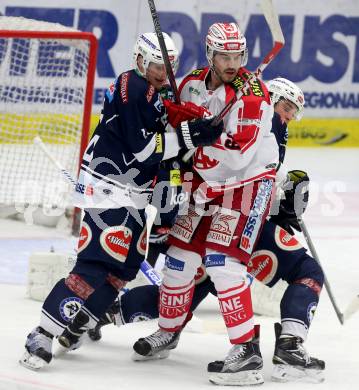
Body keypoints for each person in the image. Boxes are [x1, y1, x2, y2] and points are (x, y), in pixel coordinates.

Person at [89, 78, 326, 383]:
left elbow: (244, 168)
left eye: (294, 112)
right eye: (287, 107)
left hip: (205, 213)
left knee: (188, 281)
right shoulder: (266, 119)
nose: (288, 116)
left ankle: (104, 315)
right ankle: (289, 345)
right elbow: (252, 176)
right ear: (272, 99)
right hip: (230, 217)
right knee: (305, 272)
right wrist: (286, 195)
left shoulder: (234, 112)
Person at [19, 31, 224, 371]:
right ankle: (41, 335)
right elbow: (143, 150)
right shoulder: (133, 87)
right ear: (141, 60)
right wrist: (189, 134)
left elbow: (161, 139)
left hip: (133, 197)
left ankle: (81, 322)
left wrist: (180, 117)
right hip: (109, 190)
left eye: (168, 66)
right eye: (157, 65)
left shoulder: (151, 92)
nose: (162, 72)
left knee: (124, 268)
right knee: (94, 267)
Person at [132, 22, 278, 386]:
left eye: (237, 56)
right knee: (179, 258)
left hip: (246, 182)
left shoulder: (254, 95)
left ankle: (247, 350)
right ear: (210, 54)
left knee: (223, 262)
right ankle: (168, 331)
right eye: (224, 55)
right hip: (205, 184)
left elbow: (239, 156)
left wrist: (199, 138)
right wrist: (189, 129)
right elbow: (179, 133)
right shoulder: (193, 82)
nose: (231, 63)